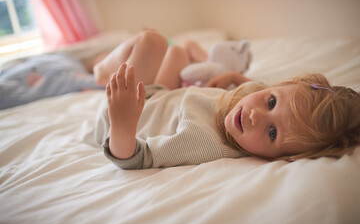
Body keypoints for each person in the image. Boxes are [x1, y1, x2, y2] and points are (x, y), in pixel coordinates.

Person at [93, 30, 360, 169]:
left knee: (151, 41)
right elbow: (262, 88)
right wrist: (234, 75)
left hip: (124, 113)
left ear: (282, 158)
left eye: (272, 133)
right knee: (174, 51)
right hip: (161, 96)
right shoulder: (257, 102)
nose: (257, 115)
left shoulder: (203, 142)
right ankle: (105, 67)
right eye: (271, 102)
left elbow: (135, 158)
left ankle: (100, 72)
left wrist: (122, 122)